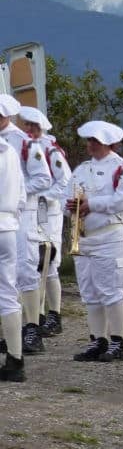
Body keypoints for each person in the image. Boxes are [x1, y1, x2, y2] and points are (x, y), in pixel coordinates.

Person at [67, 121, 123, 363]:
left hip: (109, 237)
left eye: (95, 141)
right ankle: (98, 340)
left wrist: (93, 204)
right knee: (90, 294)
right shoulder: (81, 169)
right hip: (85, 238)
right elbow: (68, 195)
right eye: (89, 141)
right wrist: (71, 207)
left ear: (110, 143)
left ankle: (119, 342)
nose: (90, 145)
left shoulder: (121, 168)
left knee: (112, 292)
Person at [0, 95, 52, 356]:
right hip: (9, 214)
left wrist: (15, 194)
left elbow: (43, 178)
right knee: (6, 280)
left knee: (25, 271)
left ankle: (33, 327)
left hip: (24, 214)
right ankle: (11, 333)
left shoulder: (25, 143)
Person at [17, 107, 71, 339]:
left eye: (34, 126)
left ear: (42, 128)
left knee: (49, 265)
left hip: (49, 214)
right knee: (33, 264)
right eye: (27, 125)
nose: (29, 130)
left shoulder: (51, 150)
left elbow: (64, 181)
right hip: (30, 213)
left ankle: (54, 315)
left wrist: (43, 197)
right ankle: (35, 315)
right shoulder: (23, 147)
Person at [0, 116, 27, 382]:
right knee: (8, 292)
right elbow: (22, 194)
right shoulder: (9, 151)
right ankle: (15, 358)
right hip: (7, 226)